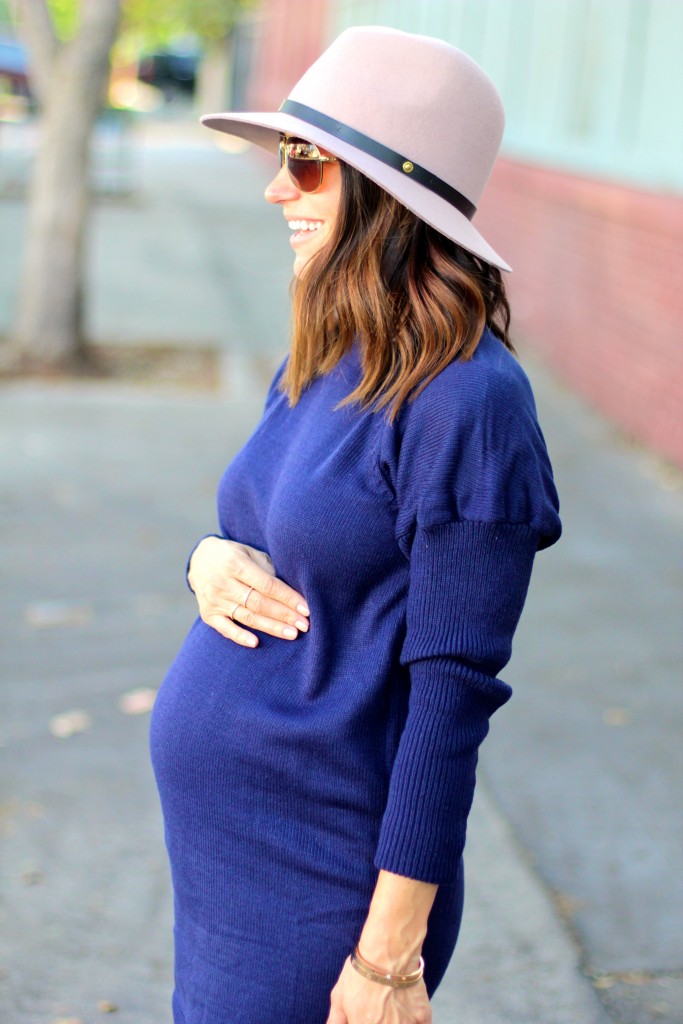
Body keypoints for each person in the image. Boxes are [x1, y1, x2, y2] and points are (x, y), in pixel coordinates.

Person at [150, 25, 561, 1024]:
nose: (274, 189)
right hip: (230, 868)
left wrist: (385, 957)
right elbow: (256, 526)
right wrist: (205, 561)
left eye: (306, 163)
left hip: (323, 879)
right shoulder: (332, 347)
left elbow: (449, 701)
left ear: (388, 193)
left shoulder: (468, 405)